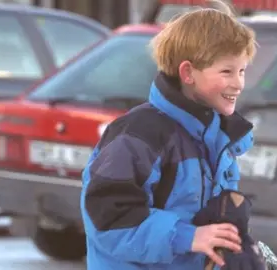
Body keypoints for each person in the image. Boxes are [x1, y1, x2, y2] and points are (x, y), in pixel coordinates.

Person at [80, 0, 256, 269]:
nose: (238, 83)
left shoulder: (219, 139)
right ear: (188, 73)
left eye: (242, 70)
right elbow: (108, 219)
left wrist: (234, 250)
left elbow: (211, 222)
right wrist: (189, 236)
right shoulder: (139, 136)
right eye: (227, 71)